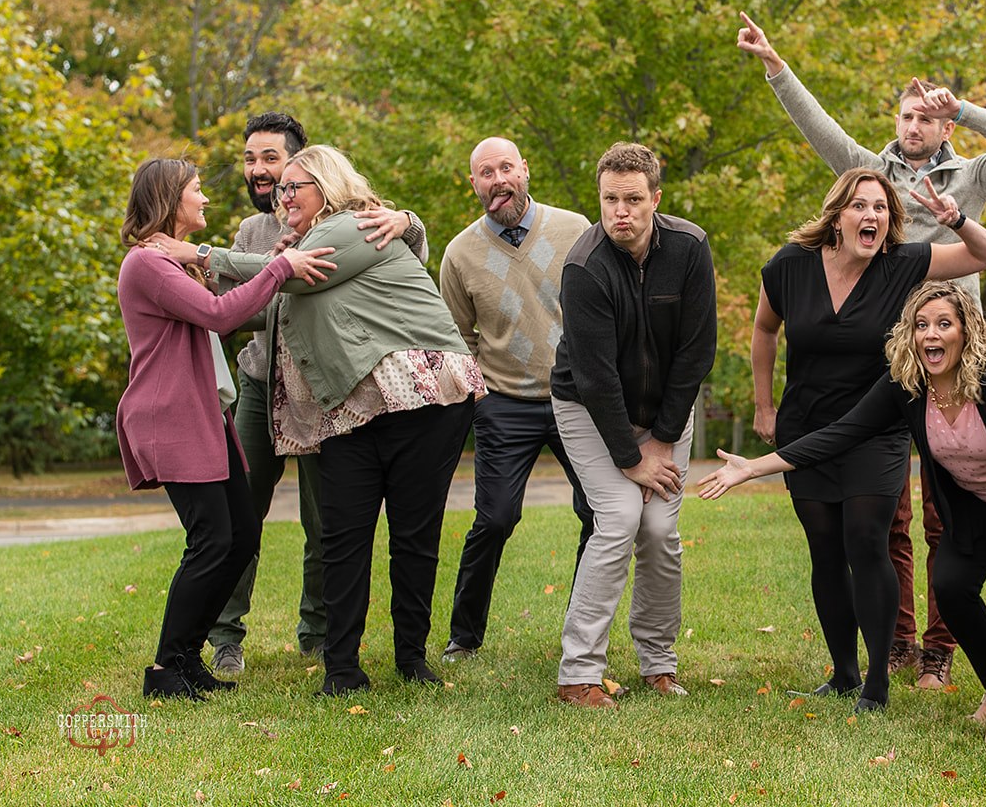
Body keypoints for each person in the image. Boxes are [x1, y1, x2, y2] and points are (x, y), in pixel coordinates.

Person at [737, 10, 986, 688]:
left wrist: (963, 109)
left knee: (945, 515)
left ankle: (939, 648)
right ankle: (895, 644)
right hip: (881, 368)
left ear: (945, 127)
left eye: (928, 118)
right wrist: (775, 64)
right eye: (907, 115)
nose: (914, 126)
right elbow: (816, 124)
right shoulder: (867, 174)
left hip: (949, 363)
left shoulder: (970, 179)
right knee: (884, 525)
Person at [701, 281, 986, 741]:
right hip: (980, 500)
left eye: (944, 324)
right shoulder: (907, 384)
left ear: (966, 331)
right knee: (951, 585)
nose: (931, 335)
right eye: (921, 325)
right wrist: (753, 468)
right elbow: (841, 433)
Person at [157, 146, 482, 695]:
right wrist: (191, 286)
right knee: (342, 536)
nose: (283, 198)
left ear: (327, 187)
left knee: (413, 535)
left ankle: (411, 659)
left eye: (294, 187)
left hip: (423, 398)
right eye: (280, 189)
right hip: (353, 409)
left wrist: (201, 253)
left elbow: (296, 277)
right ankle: (342, 669)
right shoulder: (297, 251)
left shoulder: (355, 226)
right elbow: (262, 303)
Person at [749, 169, 986, 713]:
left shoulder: (903, 263)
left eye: (881, 208)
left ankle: (877, 683)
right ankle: (844, 673)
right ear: (837, 215)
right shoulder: (790, 265)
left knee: (867, 540)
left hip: (877, 428)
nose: (872, 216)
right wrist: (764, 404)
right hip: (806, 427)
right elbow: (765, 329)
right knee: (825, 551)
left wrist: (955, 218)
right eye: (860, 206)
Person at [205, 110, 424, 674]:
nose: (261, 172)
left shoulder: (349, 220)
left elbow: (406, 258)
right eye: (250, 159)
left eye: (272, 160)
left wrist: (409, 220)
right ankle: (225, 636)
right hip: (262, 385)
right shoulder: (251, 232)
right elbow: (236, 311)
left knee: (327, 520)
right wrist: (272, 272)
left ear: (302, 167)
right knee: (240, 511)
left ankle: (320, 633)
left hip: (324, 392)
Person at [114, 158, 333, 698]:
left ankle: (187, 658)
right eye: (196, 190)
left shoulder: (173, 260)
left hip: (205, 415)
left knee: (240, 536)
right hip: (172, 416)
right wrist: (280, 269)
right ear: (170, 199)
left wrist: (275, 262)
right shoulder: (147, 263)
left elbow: (235, 297)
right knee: (212, 539)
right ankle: (167, 668)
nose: (205, 199)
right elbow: (219, 313)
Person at [550, 142, 716, 708]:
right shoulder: (584, 266)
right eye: (610, 200)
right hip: (589, 409)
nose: (620, 212)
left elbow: (697, 351)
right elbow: (595, 378)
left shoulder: (690, 248)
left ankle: (659, 664)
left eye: (633, 200)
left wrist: (663, 440)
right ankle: (578, 674)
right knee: (620, 517)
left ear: (655, 199)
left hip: (667, 411)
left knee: (660, 531)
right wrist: (631, 458)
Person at [438, 137, 595, 663]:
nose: (498, 179)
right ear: (474, 184)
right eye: (486, 172)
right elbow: (457, 336)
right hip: (504, 402)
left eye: (506, 167)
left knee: (599, 513)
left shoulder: (576, 230)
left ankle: (582, 631)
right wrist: (481, 393)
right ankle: (464, 637)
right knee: (495, 519)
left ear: (524, 170)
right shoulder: (460, 253)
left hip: (578, 398)